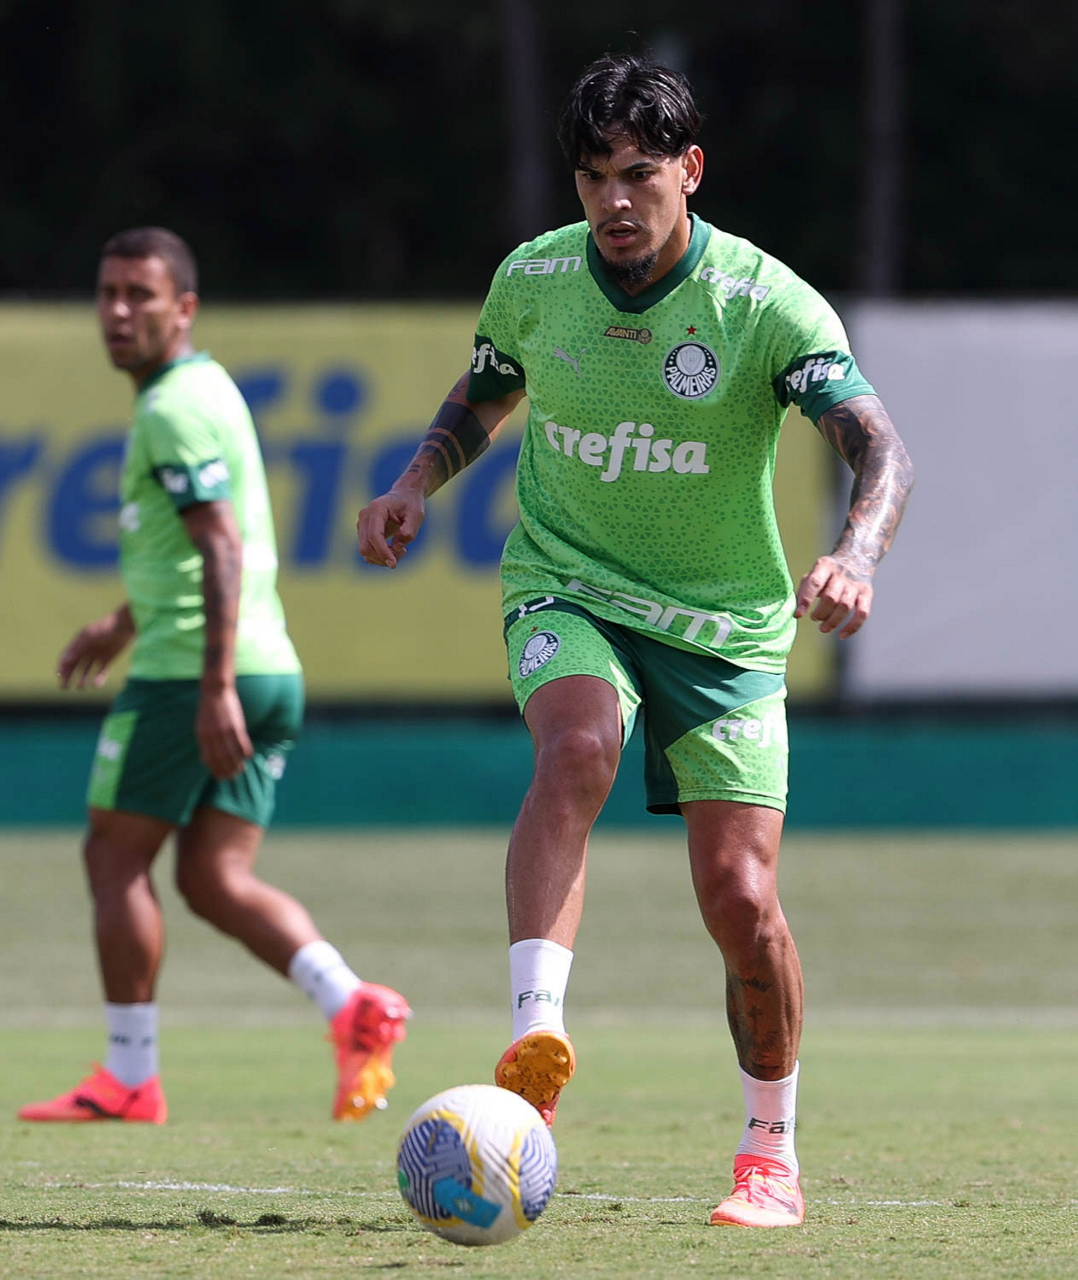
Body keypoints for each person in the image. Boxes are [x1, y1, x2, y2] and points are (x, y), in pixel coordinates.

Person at [357, 54, 913, 1228]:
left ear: (689, 170)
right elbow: (487, 387)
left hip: (724, 624)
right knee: (576, 748)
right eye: (593, 176)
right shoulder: (535, 277)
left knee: (740, 895)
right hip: (569, 580)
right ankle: (536, 1039)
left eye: (640, 174)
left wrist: (855, 554)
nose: (615, 200)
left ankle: (769, 1150)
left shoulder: (764, 303)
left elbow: (880, 447)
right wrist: (414, 481)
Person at [19, 227, 410, 1126]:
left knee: (113, 854)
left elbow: (223, 546)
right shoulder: (207, 389)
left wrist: (212, 685)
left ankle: (130, 1076)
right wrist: (123, 621)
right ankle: (352, 1003)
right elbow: (192, 546)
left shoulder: (170, 409)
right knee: (213, 878)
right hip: (269, 668)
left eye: (141, 296)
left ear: (184, 308)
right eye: (108, 293)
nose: (119, 312)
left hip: (194, 675)